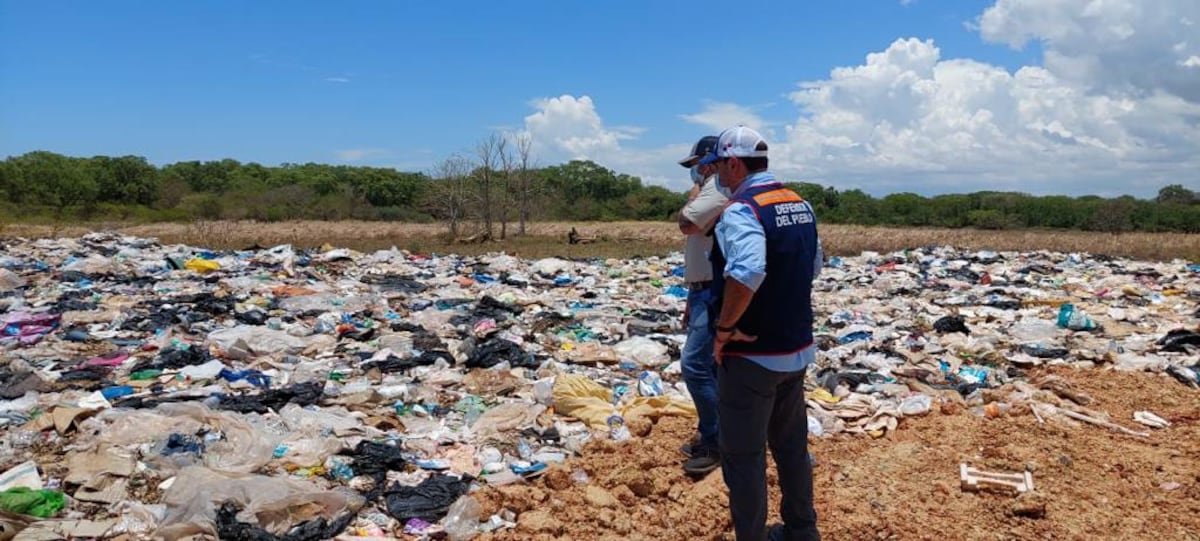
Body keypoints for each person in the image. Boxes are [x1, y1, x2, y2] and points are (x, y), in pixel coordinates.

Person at [698, 125, 823, 541]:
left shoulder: (742, 209)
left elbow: (748, 270)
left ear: (734, 163)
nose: (716, 174)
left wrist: (725, 328)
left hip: (751, 356)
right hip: (796, 350)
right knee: (790, 448)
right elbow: (814, 266)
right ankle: (802, 531)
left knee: (744, 456)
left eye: (718, 165)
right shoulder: (799, 204)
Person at [674, 135, 727, 474]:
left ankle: (716, 441)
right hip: (702, 290)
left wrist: (697, 190)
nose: (693, 174)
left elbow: (687, 223)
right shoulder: (713, 188)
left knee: (694, 365)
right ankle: (719, 431)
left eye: (696, 166)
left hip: (711, 290)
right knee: (711, 368)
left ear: (709, 162)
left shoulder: (715, 190)